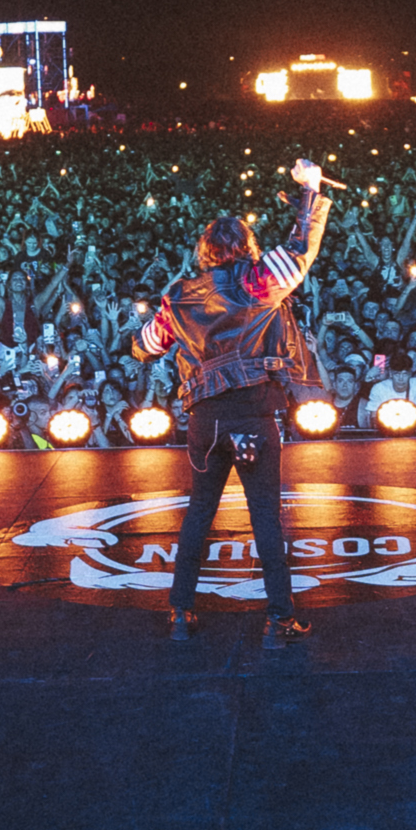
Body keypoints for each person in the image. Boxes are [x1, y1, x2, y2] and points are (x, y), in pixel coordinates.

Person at [134, 158, 330, 646]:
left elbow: (145, 346)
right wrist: (310, 190)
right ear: (247, 248)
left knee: (199, 512)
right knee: (265, 516)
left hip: (205, 420)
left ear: (204, 252)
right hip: (251, 413)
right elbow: (300, 250)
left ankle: (180, 612)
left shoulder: (179, 296)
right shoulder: (257, 282)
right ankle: (280, 619)